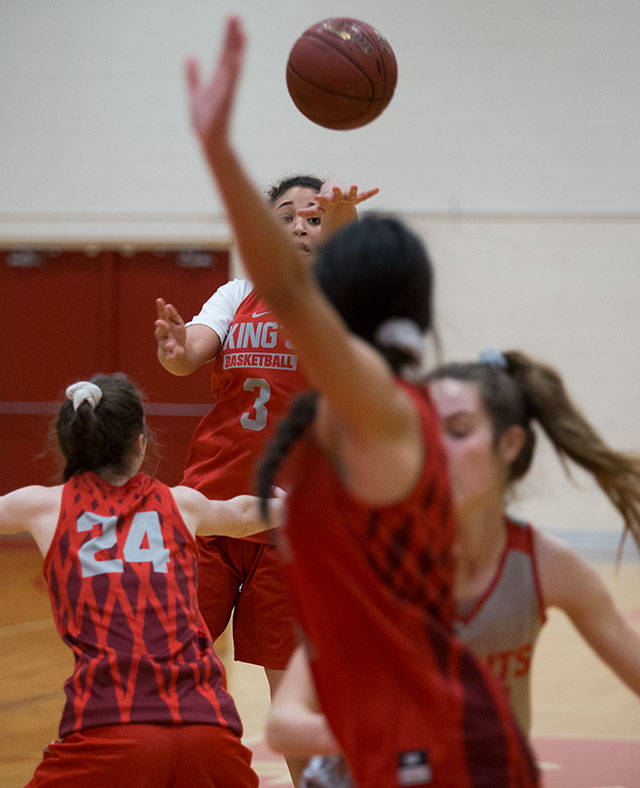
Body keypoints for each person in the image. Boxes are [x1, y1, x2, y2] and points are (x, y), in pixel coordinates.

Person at [185, 17, 539, 786]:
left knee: (296, 708)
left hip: (289, 529)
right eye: (293, 220)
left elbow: (313, 299)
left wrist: (218, 153)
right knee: (218, 687)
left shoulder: (354, 371)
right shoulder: (376, 386)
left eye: (318, 221)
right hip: (233, 508)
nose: (305, 228)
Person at [266, 349, 640, 785]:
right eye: (425, 432)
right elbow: (284, 722)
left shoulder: (546, 565)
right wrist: (373, 731)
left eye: (458, 432)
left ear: (510, 444)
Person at [1, 373, 284, 787]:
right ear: (140, 444)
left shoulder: (43, 507)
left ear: (69, 443)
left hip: (111, 729)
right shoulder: (180, 502)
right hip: (208, 731)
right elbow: (244, 514)